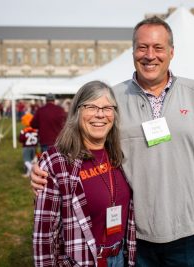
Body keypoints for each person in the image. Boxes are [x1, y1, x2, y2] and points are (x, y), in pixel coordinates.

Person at [32, 16, 194, 266]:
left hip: (187, 231)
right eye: (142, 47)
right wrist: (44, 172)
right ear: (133, 51)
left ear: (171, 52)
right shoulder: (113, 99)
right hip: (133, 234)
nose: (150, 55)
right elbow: (82, 142)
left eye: (158, 48)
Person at [33, 81, 136, 267]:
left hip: (120, 256)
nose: (100, 114)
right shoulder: (57, 161)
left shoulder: (119, 155)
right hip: (82, 261)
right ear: (77, 112)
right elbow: (44, 234)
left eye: (107, 108)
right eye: (91, 107)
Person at [18, 112, 38, 177]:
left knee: (26, 161)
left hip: (26, 147)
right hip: (34, 147)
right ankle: (28, 173)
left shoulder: (24, 130)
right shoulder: (35, 130)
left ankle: (31, 170)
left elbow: (21, 139)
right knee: (32, 160)